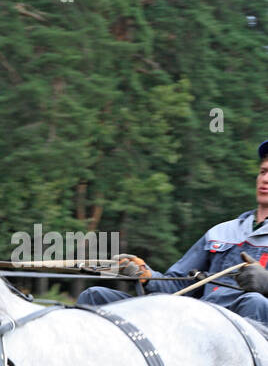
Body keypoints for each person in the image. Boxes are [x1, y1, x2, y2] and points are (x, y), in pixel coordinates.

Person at [77, 139, 268, 324]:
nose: (265, 179)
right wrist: (146, 275)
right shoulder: (221, 232)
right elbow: (177, 286)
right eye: (263, 171)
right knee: (95, 298)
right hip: (198, 320)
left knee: (254, 302)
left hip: (240, 334)